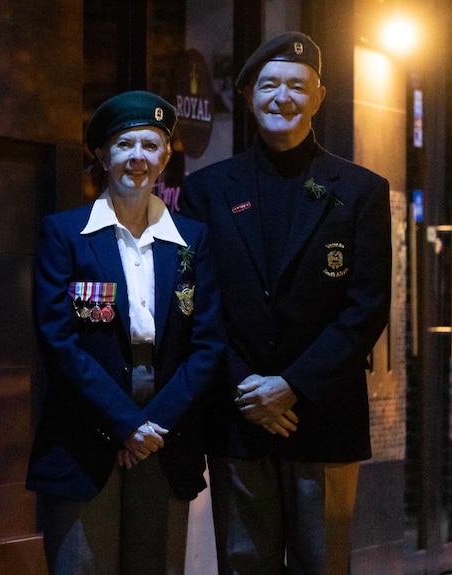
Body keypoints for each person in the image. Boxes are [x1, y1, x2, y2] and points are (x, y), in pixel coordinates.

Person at [181, 32, 392, 574]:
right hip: (238, 411)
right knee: (242, 564)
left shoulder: (361, 189)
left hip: (322, 417)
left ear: (319, 97)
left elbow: (366, 308)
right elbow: (197, 303)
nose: (283, 97)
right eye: (269, 85)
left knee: (322, 565)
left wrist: (291, 385)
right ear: (249, 95)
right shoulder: (206, 189)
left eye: (297, 86)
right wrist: (246, 387)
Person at [26, 90, 225, 575]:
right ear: (102, 154)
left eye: (151, 146)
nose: (138, 158)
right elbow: (59, 342)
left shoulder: (192, 241)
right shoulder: (65, 234)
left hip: (165, 436)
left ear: (165, 158)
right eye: (125, 145)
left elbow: (208, 343)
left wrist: (152, 426)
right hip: (84, 439)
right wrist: (125, 424)